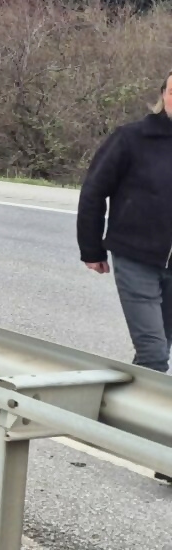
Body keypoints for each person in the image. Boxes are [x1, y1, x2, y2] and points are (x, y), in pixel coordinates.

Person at [77, 70, 172, 374]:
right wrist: (91, 249)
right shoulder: (131, 138)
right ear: (163, 95)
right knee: (154, 353)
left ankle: (124, 412)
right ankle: (143, 420)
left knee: (160, 346)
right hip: (136, 257)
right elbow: (94, 191)